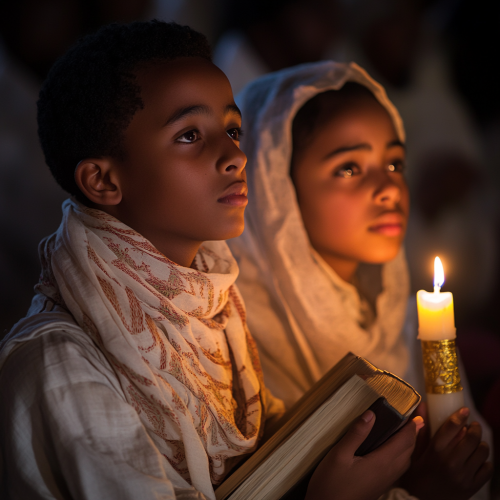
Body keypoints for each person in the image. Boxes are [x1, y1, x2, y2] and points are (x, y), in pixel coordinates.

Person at [0, 21, 424, 500]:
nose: (234, 156)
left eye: (232, 129)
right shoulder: (59, 367)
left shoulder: (218, 315)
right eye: (188, 136)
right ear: (102, 181)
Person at [229, 61, 493, 498]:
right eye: (349, 167)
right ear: (276, 189)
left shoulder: (414, 322)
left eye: (394, 163)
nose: (389, 188)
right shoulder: (240, 344)